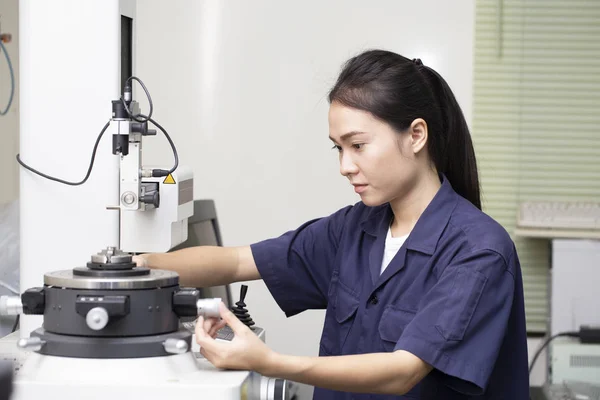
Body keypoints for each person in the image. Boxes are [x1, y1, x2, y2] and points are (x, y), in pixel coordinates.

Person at [134, 49, 529, 399]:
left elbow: (404, 371)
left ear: (416, 136)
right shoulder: (356, 228)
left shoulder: (478, 249)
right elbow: (237, 262)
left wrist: (270, 361)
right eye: (338, 148)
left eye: (357, 145)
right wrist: (129, 268)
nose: (345, 166)